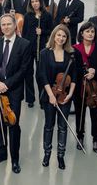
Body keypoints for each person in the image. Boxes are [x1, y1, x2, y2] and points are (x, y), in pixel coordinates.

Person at [0, 13, 31, 174]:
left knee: (13, 124)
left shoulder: (24, 44)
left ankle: (15, 159)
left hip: (13, 91)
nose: (5, 27)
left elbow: (24, 70)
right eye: (3, 24)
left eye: (8, 24)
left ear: (15, 25)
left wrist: (6, 84)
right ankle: (1, 153)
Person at [37, 24, 76, 170]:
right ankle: (47, 154)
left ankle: (60, 155)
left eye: (64, 36)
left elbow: (74, 77)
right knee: (49, 126)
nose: (61, 38)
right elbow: (42, 76)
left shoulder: (71, 54)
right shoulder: (45, 53)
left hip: (65, 96)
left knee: (63, 127)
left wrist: (70, 94)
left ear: (67, 38)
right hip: (49, 95)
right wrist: (50, 95)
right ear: (54, 35)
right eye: (59, 35)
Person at [73, 22, 97, 153]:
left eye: (92, 32)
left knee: (95, 114)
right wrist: (83, 74)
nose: (90, 34)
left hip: (95, 88)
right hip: (79, 88)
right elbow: (73, 69)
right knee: (79, 113)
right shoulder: (74, 48)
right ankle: (80, 136)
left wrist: (95, 72)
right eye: (87, 31)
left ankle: (95, 139)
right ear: (81, 33)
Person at [22, 0, 53, 108]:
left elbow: (52, 31)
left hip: (41, 49)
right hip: (29, 48)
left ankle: (42, 99)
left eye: (37, 1)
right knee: (28, 73)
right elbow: (24, 33)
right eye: (32, 1)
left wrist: (42, 32)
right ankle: (30, 99)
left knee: (40, 74)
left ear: (40, 2)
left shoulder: (47, 16)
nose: (35, 3)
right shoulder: (28, 16)